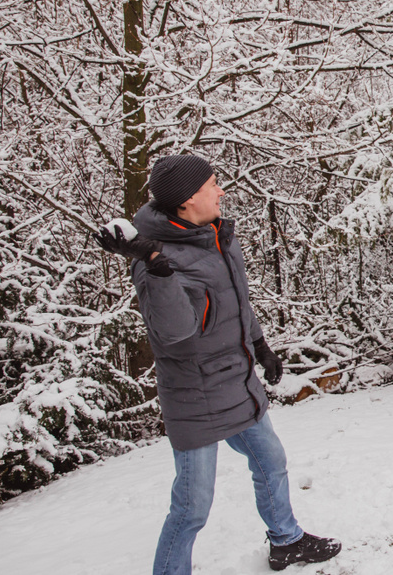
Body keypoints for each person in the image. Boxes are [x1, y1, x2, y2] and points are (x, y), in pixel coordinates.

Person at [94, 155, 341, 574]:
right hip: (197, 397)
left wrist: (260, 344)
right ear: (187, 201)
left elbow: (236, 300)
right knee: (192, 507)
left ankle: (287, 540)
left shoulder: (214, 236)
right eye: (213, 184)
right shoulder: (156, 259)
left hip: (239, 382)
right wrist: (156, 267)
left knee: (272, 463)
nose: (221, 190)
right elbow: (174, 331)